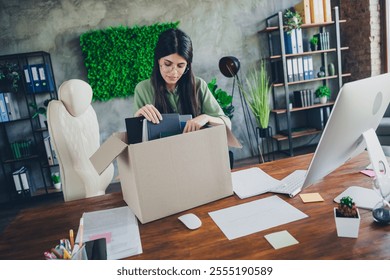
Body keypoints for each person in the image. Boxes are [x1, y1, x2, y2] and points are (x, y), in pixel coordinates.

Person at [133, 28, 231, 133]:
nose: (174, 72)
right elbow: (137, 137)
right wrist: (137, 118)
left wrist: (206, 118)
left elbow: (227, 124)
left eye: (180, 66)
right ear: (158, 61)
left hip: (196, 147)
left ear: (187, 66)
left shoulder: (198, 85)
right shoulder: (142, 89)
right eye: (167, 64)